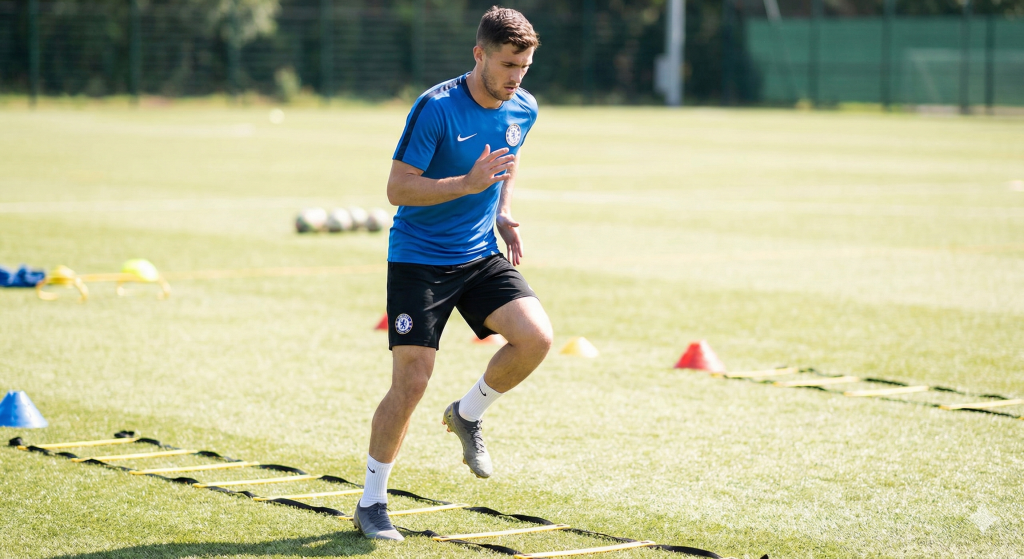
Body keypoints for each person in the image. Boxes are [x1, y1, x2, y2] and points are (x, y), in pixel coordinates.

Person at [352, 6, 553, 541]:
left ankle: (467, 415)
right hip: (419, 259)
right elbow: (397, 189)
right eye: (509, 64)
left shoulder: (524, 107)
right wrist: (464, 185)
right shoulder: (435, 108)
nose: (516, 77)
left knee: (536, 338)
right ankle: (372, 502)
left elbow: (506, 164)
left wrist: (502, 211)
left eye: (525, 67)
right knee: (412, 382)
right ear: (479, 54)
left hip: (479, 253)